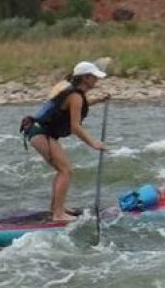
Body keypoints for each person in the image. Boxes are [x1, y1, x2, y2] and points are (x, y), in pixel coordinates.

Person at [24, 61, 109, 221]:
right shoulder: (75, 95)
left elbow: (75, 106)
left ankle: (57, 208)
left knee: (63, 170)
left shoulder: (73, 93)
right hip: (42, 133)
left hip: (41, 132)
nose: (97, 80)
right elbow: (75, 127)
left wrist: (99, 100)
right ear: (85, 78)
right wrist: (93, 143)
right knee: (66, 170)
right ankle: (58, 214)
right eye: (94, 77)